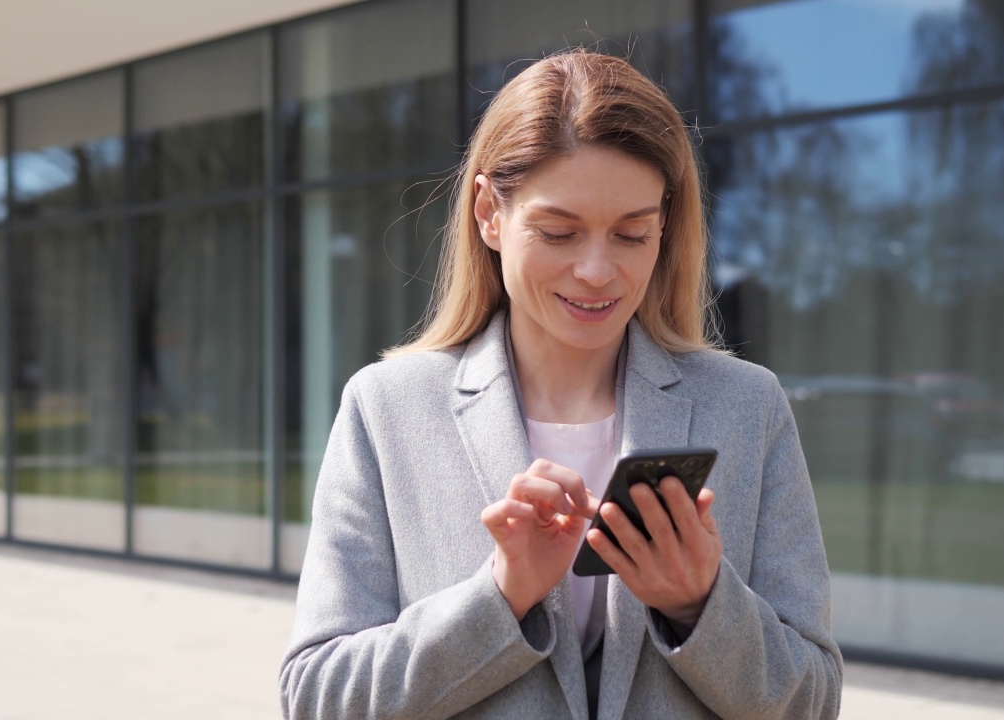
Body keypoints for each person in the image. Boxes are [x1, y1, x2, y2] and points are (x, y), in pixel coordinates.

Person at [279, 49, 841, 720]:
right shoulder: (388, 410)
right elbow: (317, 698)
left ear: (665, 225)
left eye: (632, 234)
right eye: (559, 231)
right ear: (489, 212)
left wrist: (701, 605)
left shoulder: (747, 407)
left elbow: (813, 701)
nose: (598, 271)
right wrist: (501, 595)